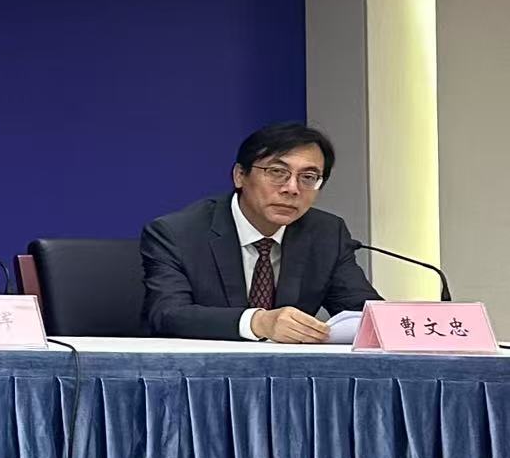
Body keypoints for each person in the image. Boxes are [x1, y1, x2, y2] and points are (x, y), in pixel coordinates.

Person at [140, 121, 379, 343]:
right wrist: (258, 322)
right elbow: (167, 314)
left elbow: (365, 313)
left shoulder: (326, 233)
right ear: (239, 176)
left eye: (308, 177)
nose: (292, 188)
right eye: (277, 172)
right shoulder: (178, 234)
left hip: (294, 371)